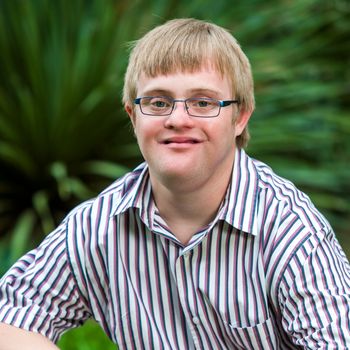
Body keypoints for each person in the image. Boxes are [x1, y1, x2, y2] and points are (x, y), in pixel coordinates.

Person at [0, 18, 349, 350]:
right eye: (158, 102)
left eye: (203, 102)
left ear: (240, 117)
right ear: (133, 116)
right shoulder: (98, 227)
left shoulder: (290, 230)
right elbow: (13, 319)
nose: (178, 119)